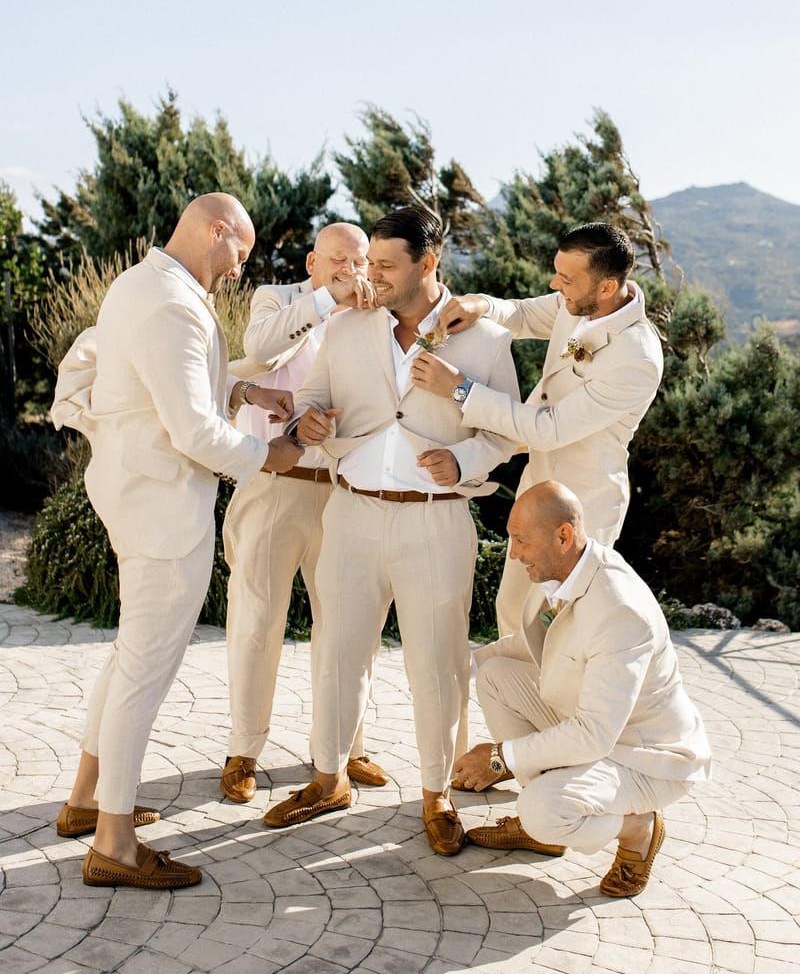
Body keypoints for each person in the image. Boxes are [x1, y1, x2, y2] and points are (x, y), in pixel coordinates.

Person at [50, 193, 302, 890]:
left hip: (135, 488)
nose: (237, 272)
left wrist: (246, 393)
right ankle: (114, 844)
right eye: (239, 254)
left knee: (131, 654)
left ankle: (84, 802)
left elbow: (166, 389)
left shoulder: (142, 283)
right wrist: (269, 456)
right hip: (161, 508)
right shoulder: (173, 303)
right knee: (145, 670)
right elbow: (191, 432)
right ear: (215, 230)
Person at [262, 206, 520, 855]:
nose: (365, 274)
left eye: (383, 264)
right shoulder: (346, 326)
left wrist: (463, 459)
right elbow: (314, 399)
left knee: (436, 664)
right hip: (350, 511)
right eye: (366, 261)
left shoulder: (483, 338)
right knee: (336, 652)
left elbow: (508, 430)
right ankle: (329, 777)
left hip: (435, 522)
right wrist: (311, 426)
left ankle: (436, 794)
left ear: (427, 265)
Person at [453, 481, 711, 897]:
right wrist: (458, 668)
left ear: (563, 536)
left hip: (643, 755)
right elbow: (537, 644)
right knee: (497, 676)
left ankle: (638, 828)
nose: (514, 553)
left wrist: (500, 759)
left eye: (521, 541)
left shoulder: (620, 610)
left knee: (539, 809)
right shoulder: (565, 570)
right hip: (594, 724)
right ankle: (550, 828)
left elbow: (595, 734)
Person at [413, 222, 664, 635]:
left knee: (556, 630)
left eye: (566, 278)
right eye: (556, 272)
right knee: (512, 612)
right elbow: (527, 314)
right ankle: (515, 699)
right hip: (538, 488)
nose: (555, 284)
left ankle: (557, 702)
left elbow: (548, 429)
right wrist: (482, 306)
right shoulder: (579, 302)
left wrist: (460, 390)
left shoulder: (635, 358)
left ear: (607, 287)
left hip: (584, 504)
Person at [220, 222, 390, 803]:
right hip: (275, 484)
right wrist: (327, 302)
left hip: (345, 491)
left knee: (347, 627)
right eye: (338, 260)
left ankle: (344, 748)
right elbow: (260, 350)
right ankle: (244, 748)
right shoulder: (278, 300)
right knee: (256, 618)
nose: (350, 271)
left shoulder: (374, 317)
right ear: (313, 262)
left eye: (360, 261)